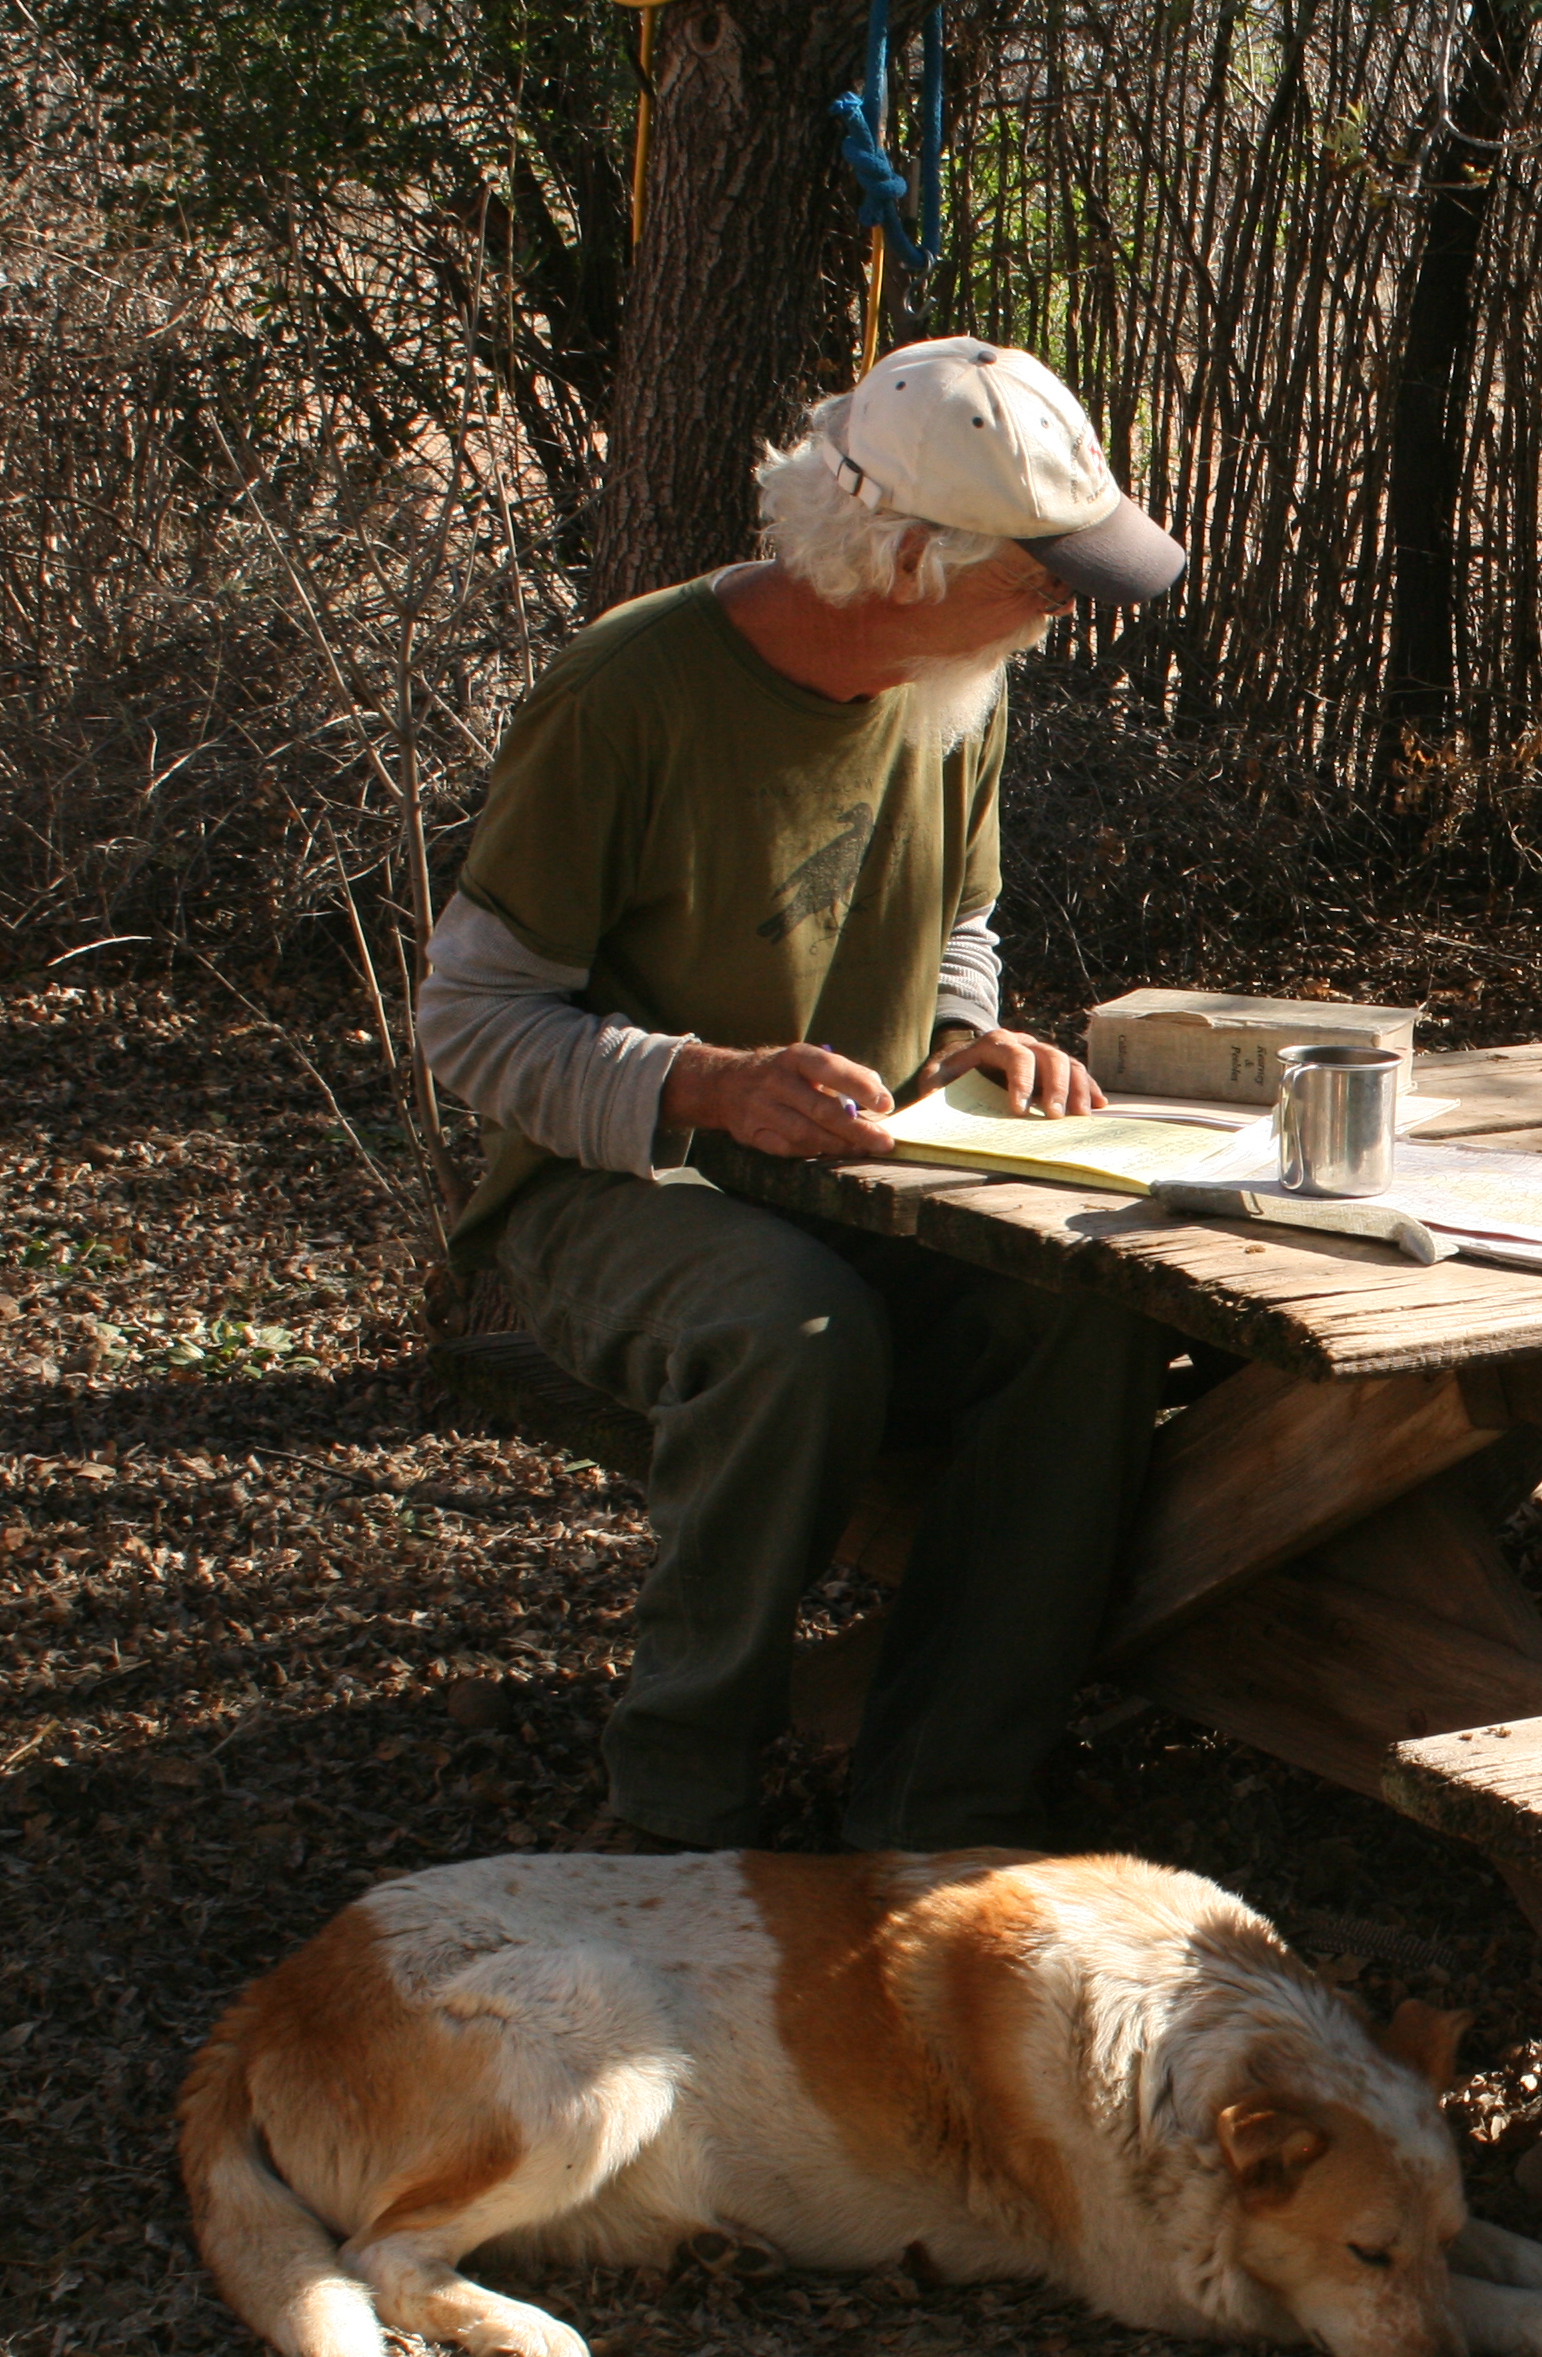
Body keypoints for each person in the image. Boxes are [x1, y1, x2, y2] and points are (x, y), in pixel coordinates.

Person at [418, 337, 1186, 1851]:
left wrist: (971, 1042)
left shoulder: (956, 678)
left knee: (1092, 1317)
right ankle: (678, 1822)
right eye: (1041, 577)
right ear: (902, 556)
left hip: (862, 1167)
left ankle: (945, 1817)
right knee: (794, 1333)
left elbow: (958, 919)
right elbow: (472, 1017)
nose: (1060, 613)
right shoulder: (625, 696)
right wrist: (700, 1081)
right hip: (614, 1191)